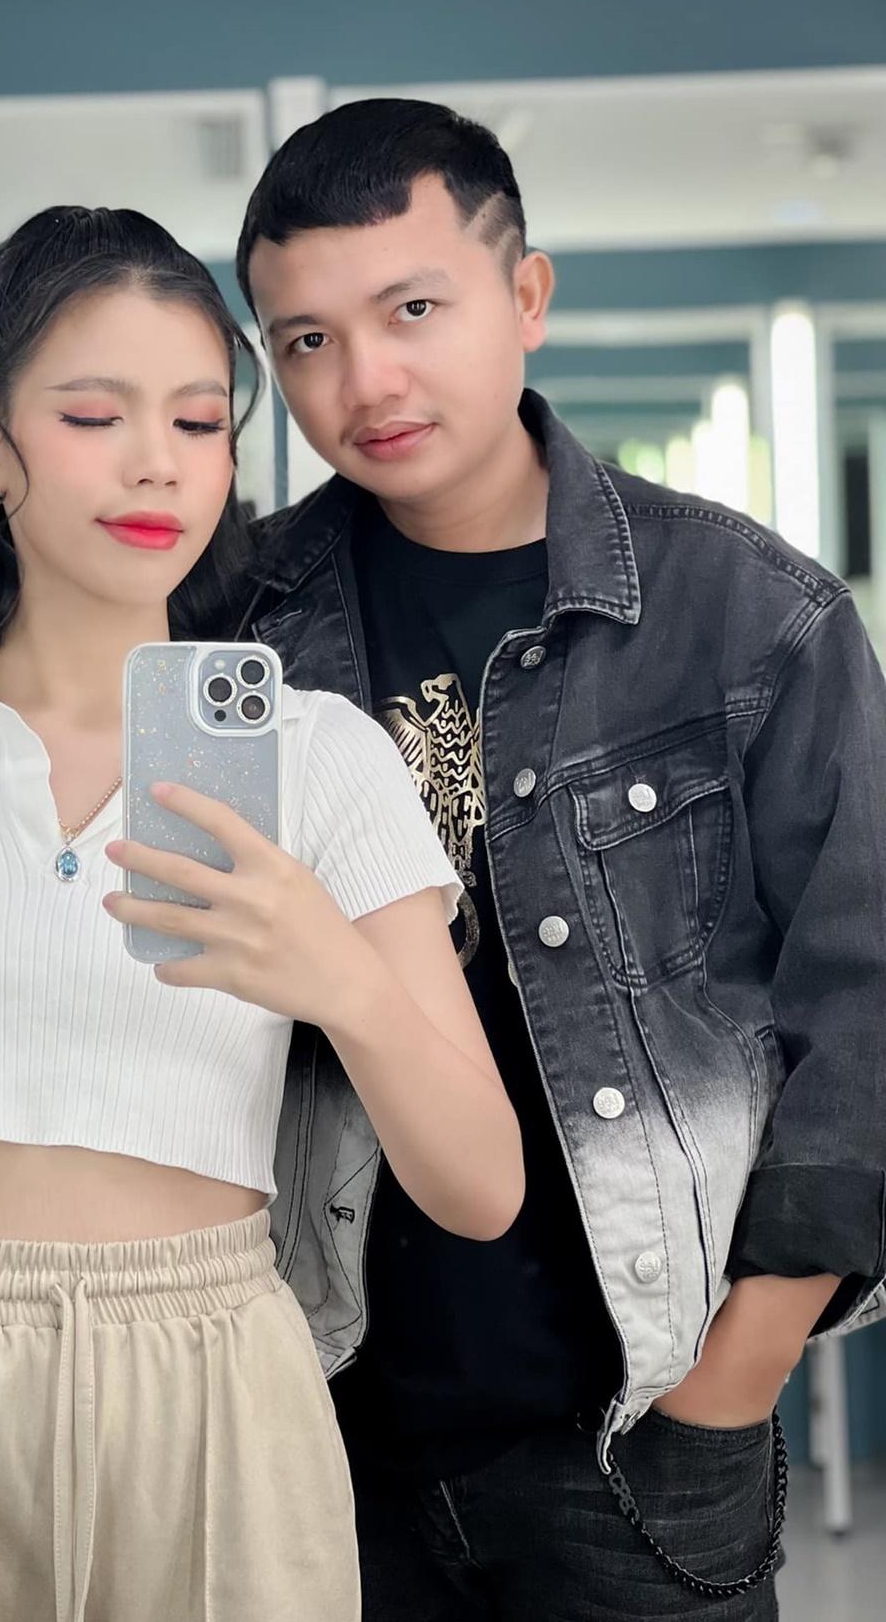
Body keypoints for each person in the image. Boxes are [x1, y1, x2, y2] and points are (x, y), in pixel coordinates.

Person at [0, 204, 523, 1622]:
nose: (160, 462)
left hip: (216, 1381)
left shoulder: (318, 756)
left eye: (201, 421)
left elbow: (481, 1185)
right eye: (95, 416)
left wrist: (337, 976)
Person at [228, 98, 886, 1621]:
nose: (363, 381)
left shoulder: (752, 616)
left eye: (411, 310)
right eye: (305, 340)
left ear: (525, 294)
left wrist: (735, 1380)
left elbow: (865, 1009)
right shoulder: (239, 624)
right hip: (319, 1429)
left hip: (640, 1431)